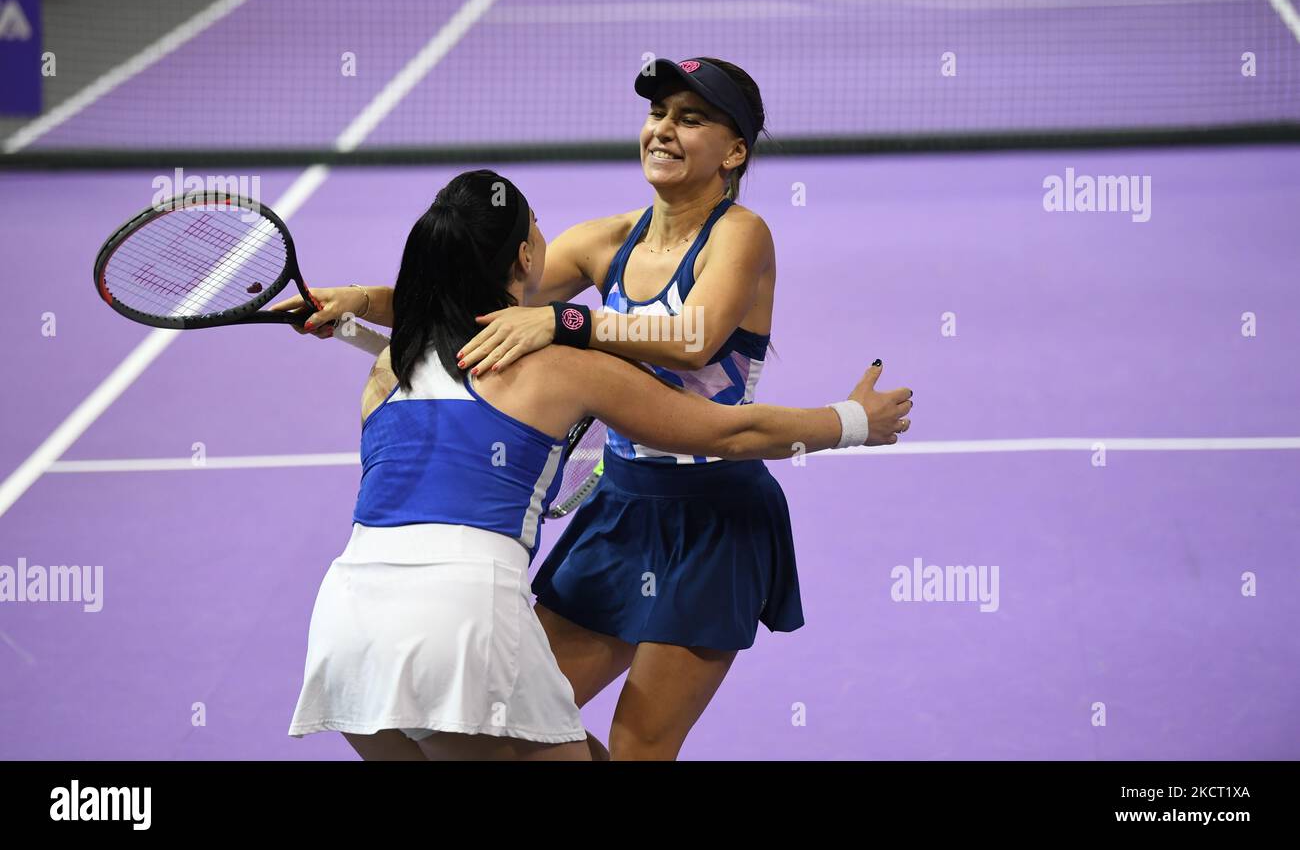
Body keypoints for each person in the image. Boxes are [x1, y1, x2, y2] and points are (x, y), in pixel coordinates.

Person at [283, 170, 913, 760]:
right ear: (527, 258)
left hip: (347, 630)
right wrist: (854, 421)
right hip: (467, 618)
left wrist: (365, 305)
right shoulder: (567, 369)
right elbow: (734, 428)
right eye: (535, 227)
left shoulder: (385, 367)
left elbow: (442, 325)